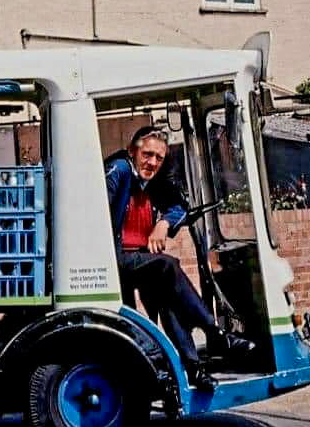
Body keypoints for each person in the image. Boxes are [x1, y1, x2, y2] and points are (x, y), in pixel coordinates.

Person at [105, 124, 255, 391]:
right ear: (132, 151)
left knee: (167, 298)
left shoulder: (152, 182)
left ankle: (194, 369)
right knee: (167, 265)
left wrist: (163, 223)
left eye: (158, 158)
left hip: (139, 259)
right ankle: (215, 334)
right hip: (112, 259)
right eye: (147, 154)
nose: (152, 162)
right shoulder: (119, 171)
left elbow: (179, 205)